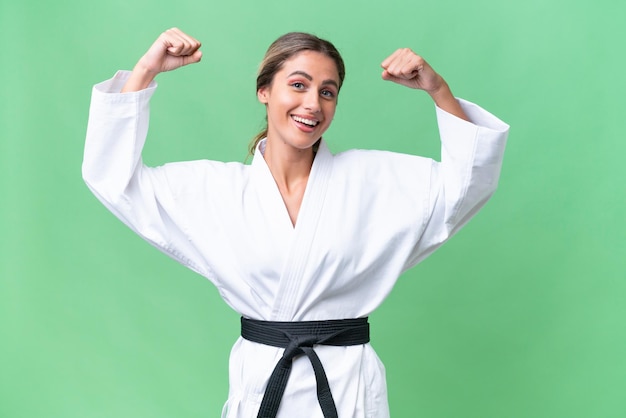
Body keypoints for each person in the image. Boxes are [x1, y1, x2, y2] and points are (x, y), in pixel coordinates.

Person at [83, 28, 509, 418]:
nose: (313, 104)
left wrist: (437, 89)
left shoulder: (371, 181)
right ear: (264, 91)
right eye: (299, 85)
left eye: (328, 92)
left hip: (347, 391)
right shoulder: (216, 190)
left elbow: (466, 184)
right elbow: (115, 178)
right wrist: (147, 69)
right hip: (263, 384)